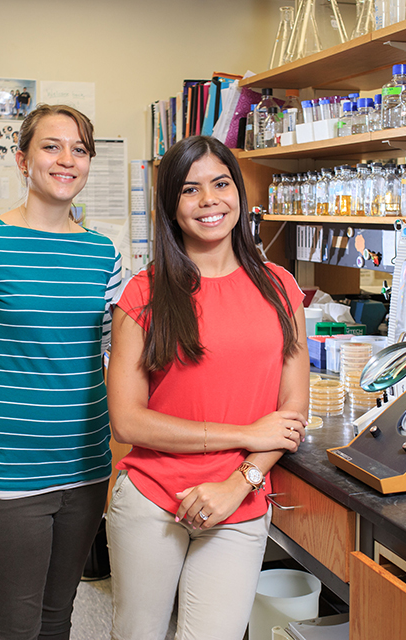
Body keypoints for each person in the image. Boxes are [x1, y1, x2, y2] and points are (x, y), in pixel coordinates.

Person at [0, 104, 122, 639]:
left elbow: (115, 353)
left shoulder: (104, 254)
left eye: (79, 149)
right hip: (5, 475)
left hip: (84, 467)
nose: (67, 160)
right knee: (14, 627)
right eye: (52, 146)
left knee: (58, 619)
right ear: (22, 159)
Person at [106, 135, 309, 640]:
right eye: (190, 190)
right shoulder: (145, 293)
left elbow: (293, 409)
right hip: (152, 499)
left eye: (221, 184)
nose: (209, 201)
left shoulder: (280, 287)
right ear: (171, 207)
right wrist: (246, 432)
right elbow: (128, 421)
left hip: (238, 498)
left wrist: (239, 482)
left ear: (238, 192)